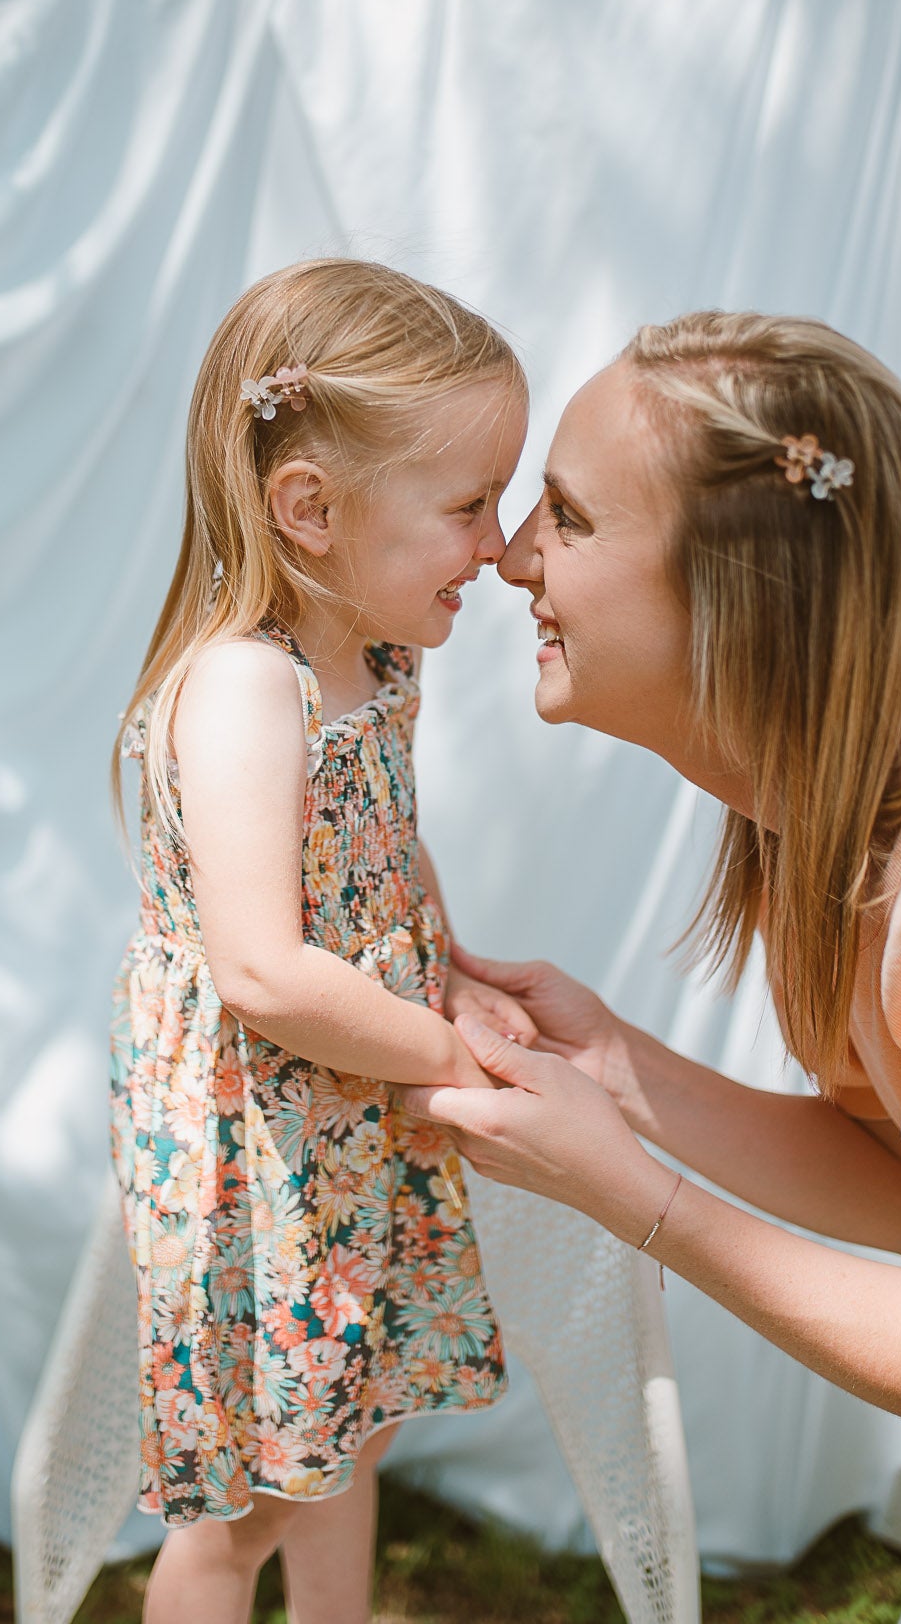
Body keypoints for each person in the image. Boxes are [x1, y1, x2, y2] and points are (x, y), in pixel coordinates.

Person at [405, 309, 901, 1623]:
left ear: (740, 588)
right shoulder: (817, 820)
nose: (515, 555)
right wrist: (623, 1072)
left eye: (568, 518)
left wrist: (635, 1197)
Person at [108, 258, 534, 1624]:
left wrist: (455, 969)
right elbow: (261, 968)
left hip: (347, 1111)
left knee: (348, 1430)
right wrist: (444, 1048)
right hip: (264, 1140)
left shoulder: (377, 660)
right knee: (247, 1507)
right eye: (469, 503)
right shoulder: (245, 687)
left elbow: (389, 852)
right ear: (311, 509)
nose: (502, 540)